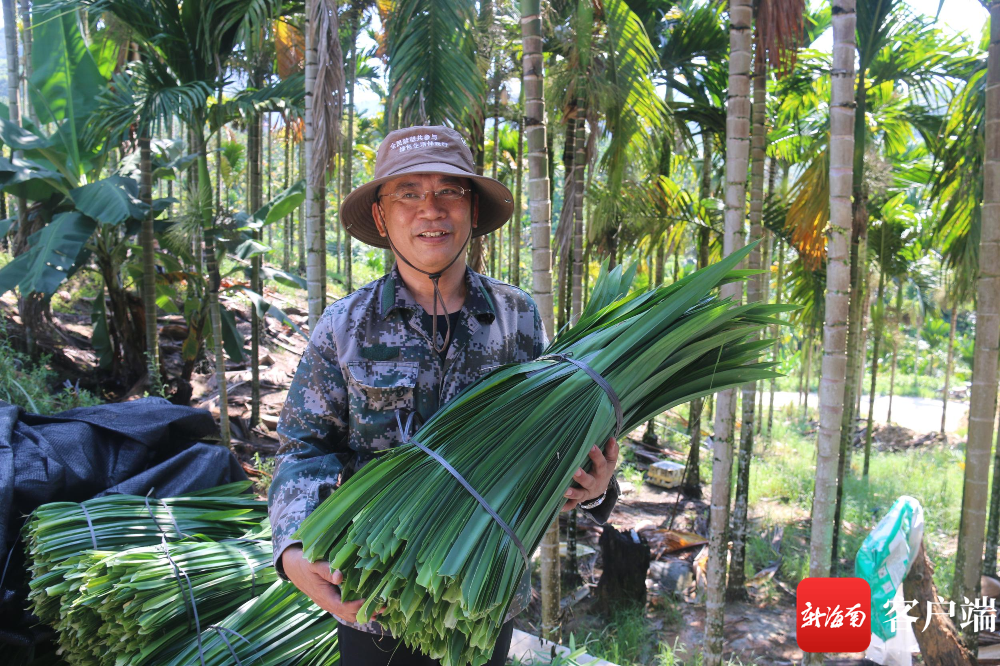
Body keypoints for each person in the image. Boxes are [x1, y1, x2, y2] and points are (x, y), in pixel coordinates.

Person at [268, 125, 621, 666]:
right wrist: (292, 548)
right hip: (371, 587)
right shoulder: (344, 327)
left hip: (484, 595)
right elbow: (302, 448)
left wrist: (594, 486)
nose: (430, 209)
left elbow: (553, 444)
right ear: (382, 217)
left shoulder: (517, 318)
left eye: (448, 191)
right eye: (408, 193)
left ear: (473, 210)